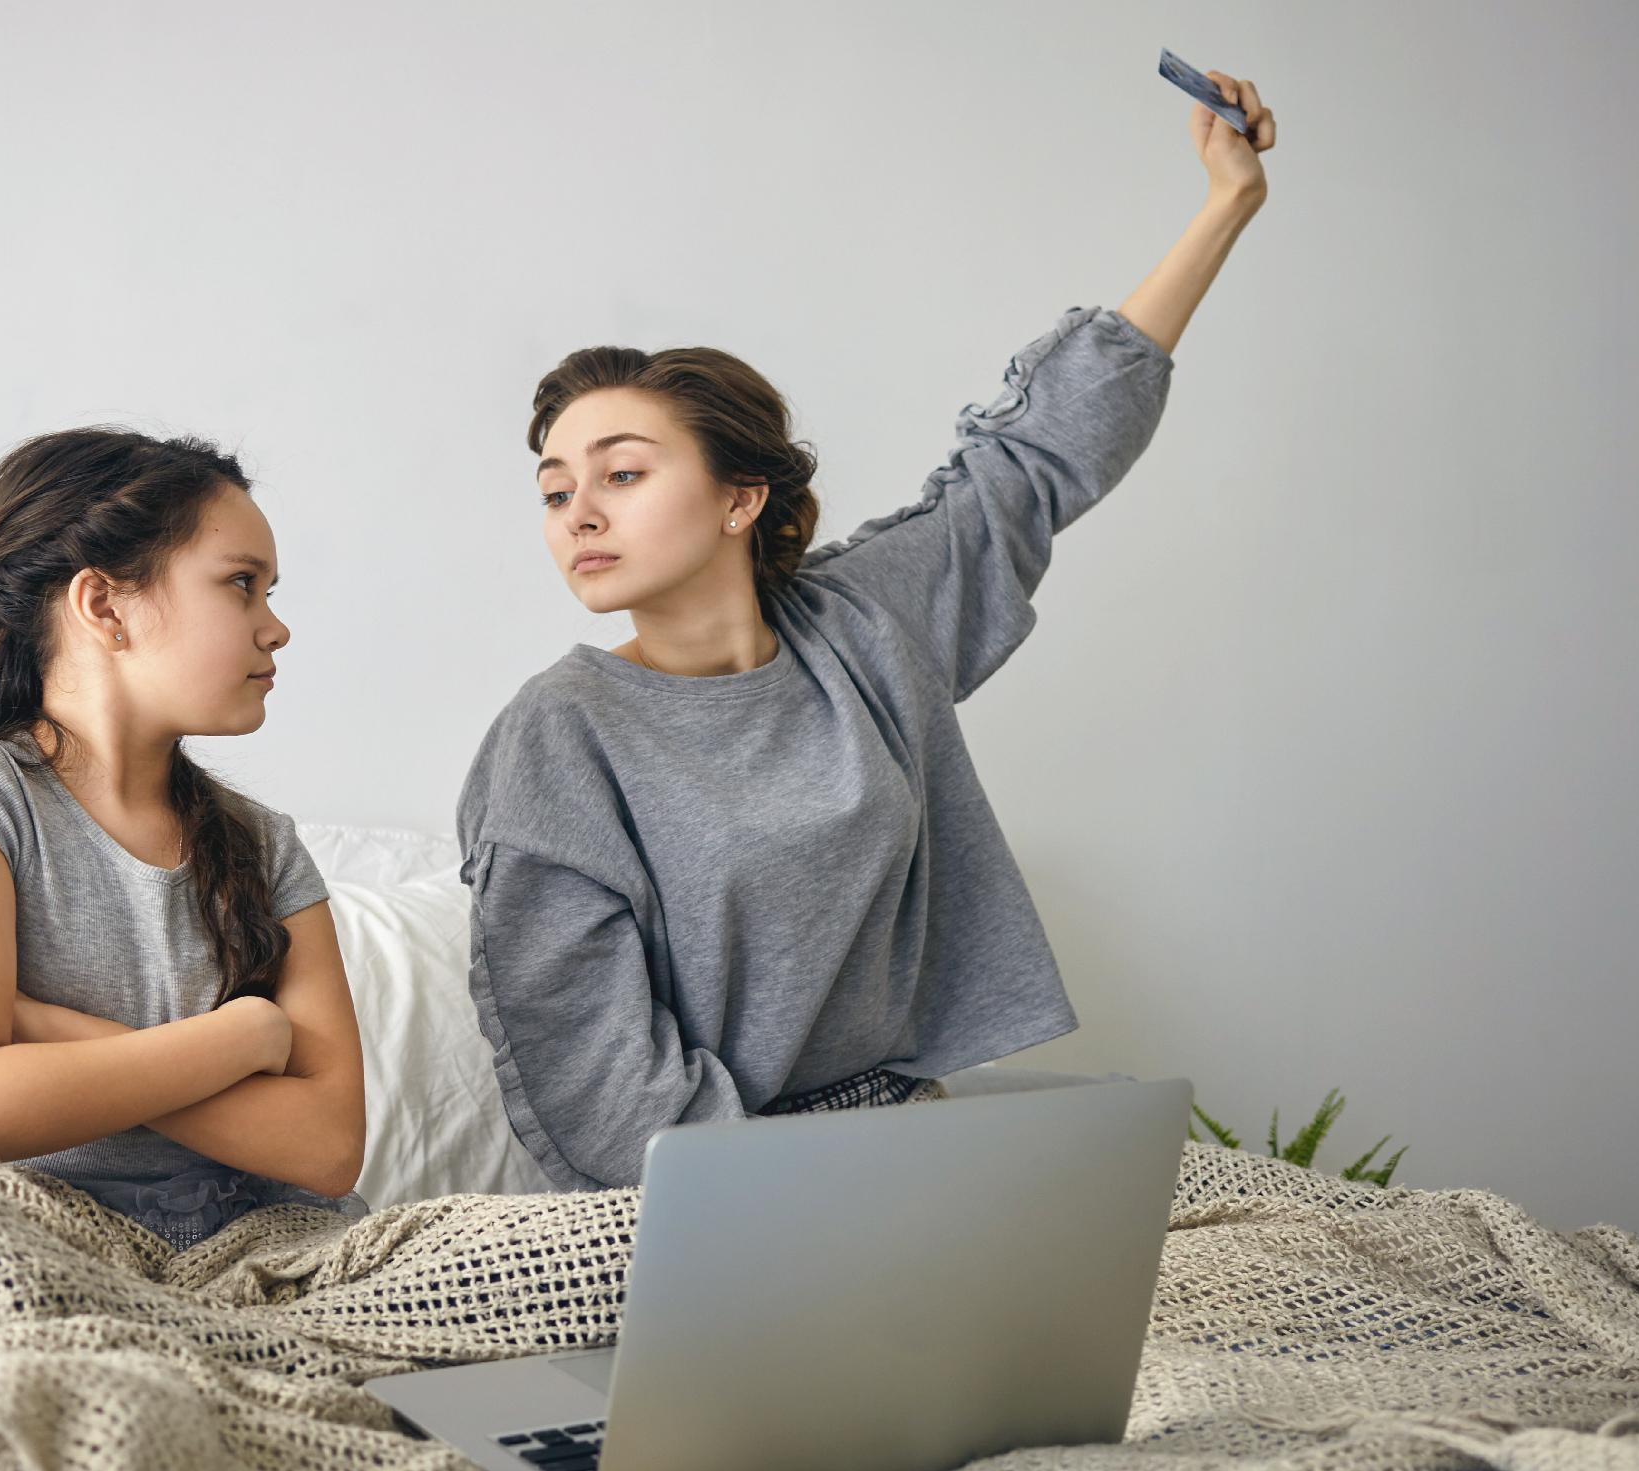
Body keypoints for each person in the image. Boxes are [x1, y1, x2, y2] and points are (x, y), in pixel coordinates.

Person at [457, 73, 1279, 1190]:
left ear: (739, 499)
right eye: (556, 491)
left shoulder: (861, 628)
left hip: (903, 1145)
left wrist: (1225, 205)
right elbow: (592, 1077)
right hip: (680, 1200)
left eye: (624, 474)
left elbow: (1034, 462)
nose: (581, 513)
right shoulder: (558, 737)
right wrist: (786, 1206)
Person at [0, 429, 366, 1249]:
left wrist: (42, 1027)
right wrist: (240, 1037)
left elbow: (329, 1147)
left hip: (272, 1242)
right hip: (34, 1244)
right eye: (242, 585)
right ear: (103, 605)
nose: (275, 629)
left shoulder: (262, 844)